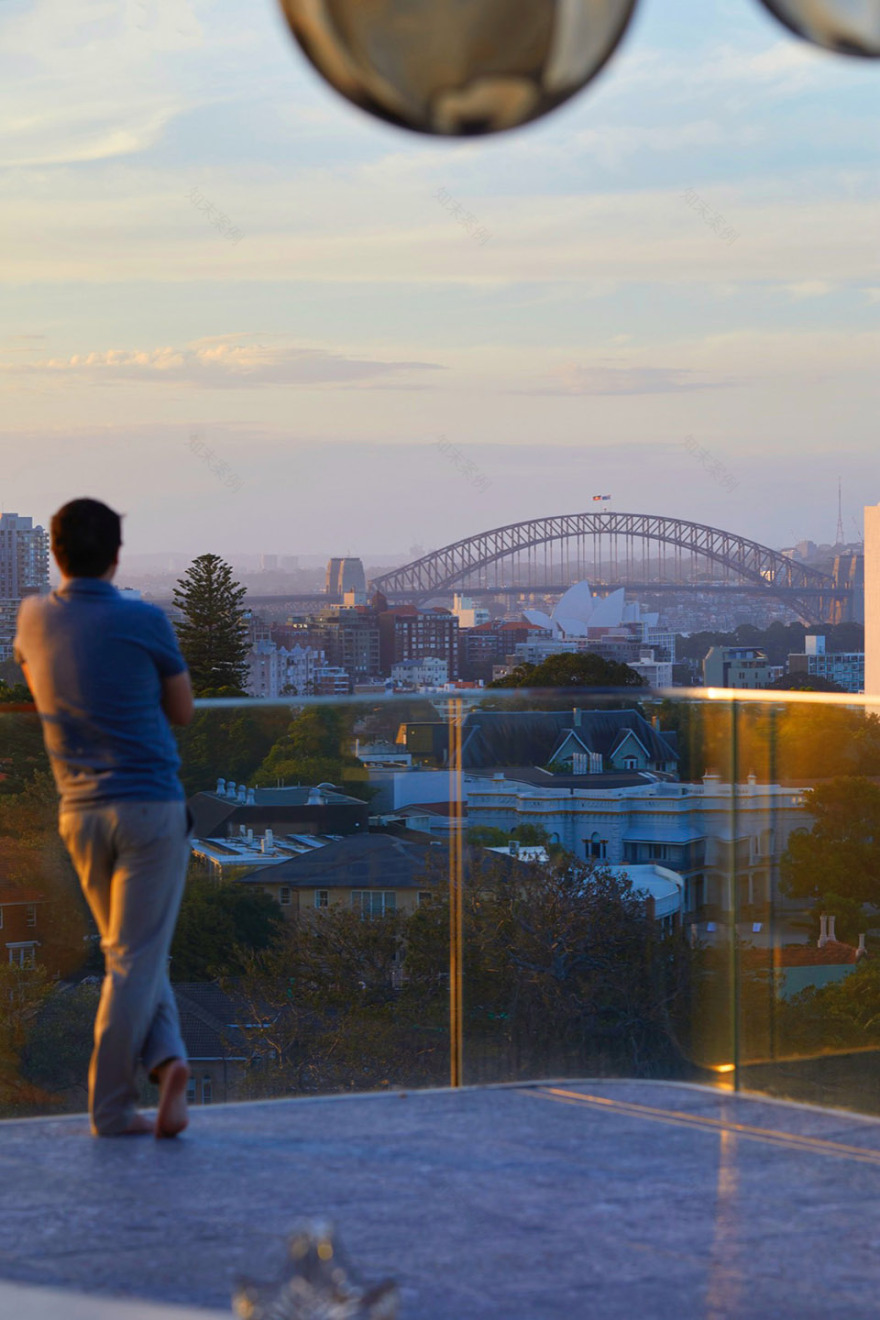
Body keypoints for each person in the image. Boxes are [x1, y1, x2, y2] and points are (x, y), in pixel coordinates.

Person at [13, 498, 195, 1138]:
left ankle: (168, 1062)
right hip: (149, 807)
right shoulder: (145, 619)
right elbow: (182, 709)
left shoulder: (31, 616)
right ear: (118, 556)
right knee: (133, 959)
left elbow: (34, 675)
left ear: (53, 554)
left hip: (80, 813)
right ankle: (113, 1107)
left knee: (132, 952)